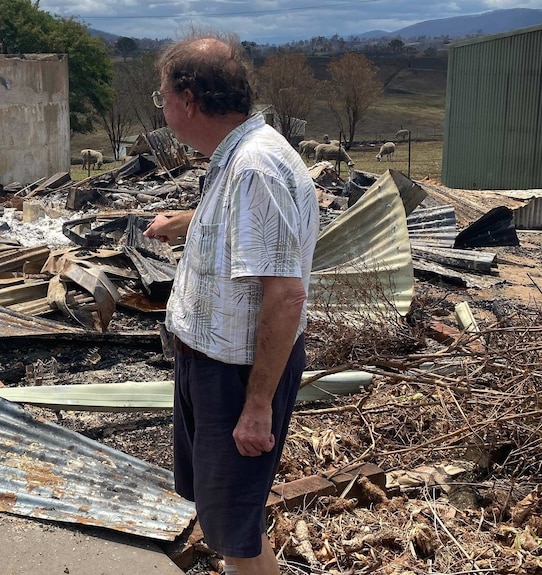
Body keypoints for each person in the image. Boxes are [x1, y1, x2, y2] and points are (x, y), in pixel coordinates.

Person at [144, 34, 319, 575]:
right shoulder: (239, 155)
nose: (164, 106)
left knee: (232, 529)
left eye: (163, 96)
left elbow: (286, 295)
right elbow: (256, 238)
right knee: (225, 518)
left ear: (189, 99)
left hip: (237, 375)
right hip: (210, 363)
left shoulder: (253, 168)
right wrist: (190, 221)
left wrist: (258, 405)